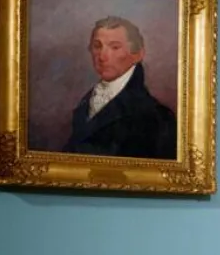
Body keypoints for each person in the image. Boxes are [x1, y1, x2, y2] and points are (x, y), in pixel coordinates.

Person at [63, 16, 176, 159]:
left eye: (115, 47)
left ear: (138, 55)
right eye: (97, 46)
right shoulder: (85, 103)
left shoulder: (157, 117)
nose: (102, 56)